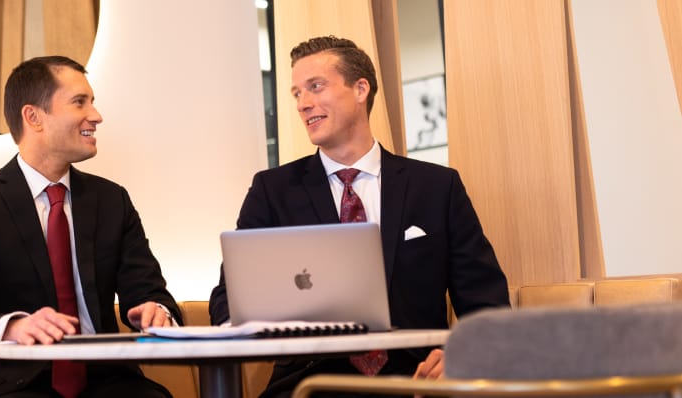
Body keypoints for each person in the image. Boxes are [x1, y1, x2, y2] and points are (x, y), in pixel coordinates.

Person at [208, 36, 510, 398]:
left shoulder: (437, 187)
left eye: (315, 87)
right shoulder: (272, 191)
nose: (303, 104)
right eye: (296, 94)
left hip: (416, 382)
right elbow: (227, 300)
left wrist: (463, 353)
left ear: (361, 88)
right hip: (310, 385)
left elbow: (488, 305)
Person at [0, 55, 182, 398]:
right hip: (12, 386)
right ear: (33, 117)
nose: (96, 116)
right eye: (79, 102)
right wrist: (17, 326)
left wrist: (158, 313)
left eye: (92, 102)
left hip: (107, 382)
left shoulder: (112, 201)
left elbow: (152, 294)